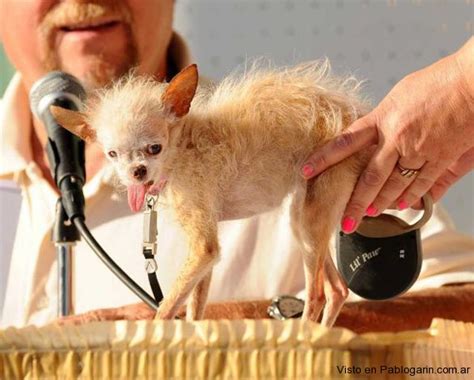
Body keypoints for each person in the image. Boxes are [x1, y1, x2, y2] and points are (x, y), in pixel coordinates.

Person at [0, 0, 472, 330]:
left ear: (178, 107)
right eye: (124, 155)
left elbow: (463, 311)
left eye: (150, 151)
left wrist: (231, 327)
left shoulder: (271, 129)